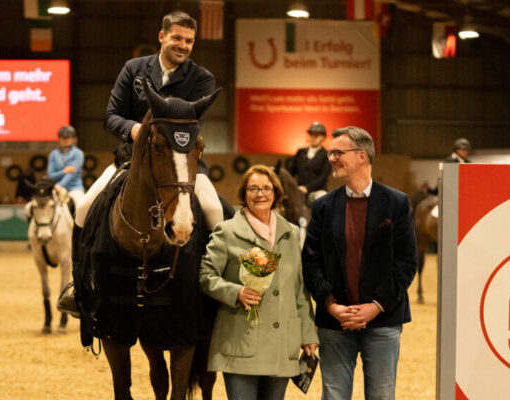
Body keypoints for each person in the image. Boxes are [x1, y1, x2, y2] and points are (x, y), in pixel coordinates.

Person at [75, 10, 224, 231]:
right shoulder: (133, 68)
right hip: (131, 160)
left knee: (214, 210)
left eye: (189, 41)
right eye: (177, 38)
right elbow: (111, 117)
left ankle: (214, 265)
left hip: (182, 165)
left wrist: (154, 134)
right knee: (83, 208)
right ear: (161, 36)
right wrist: (134, 129)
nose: (183, 45)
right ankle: (80, 266)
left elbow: (193, 127)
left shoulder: (202, 79)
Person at [301, 126, 417, 400]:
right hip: (334, 323)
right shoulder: (323, 207)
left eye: (338, 153)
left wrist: (375, 307)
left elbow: (406, 263)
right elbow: (311, 261)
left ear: (362, 156)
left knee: (381, 396)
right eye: (331, 153)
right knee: (334, 396)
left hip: (383, 320)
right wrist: (331, 305)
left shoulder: (397, 203)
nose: (331, 159)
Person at [199, 164, 318, 400]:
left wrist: (307, 334)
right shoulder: (227, 231)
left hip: (282, 343)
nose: (260, 194)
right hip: (241, 343)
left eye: (266, 188)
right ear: (244, 194)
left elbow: (299, 289)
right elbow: (205, 275)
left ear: (275, 193)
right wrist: (236, 292)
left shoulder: (292, 233)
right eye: (253, 188)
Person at [288, 122, 332, 203]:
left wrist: (307, 188)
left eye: (317, 135)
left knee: (322, 200)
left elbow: (323, 177)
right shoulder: (300, 152)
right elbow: (291, 172)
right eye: (311, 134)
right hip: (299, 189)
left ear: (323, 137)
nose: (313, 138)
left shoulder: (326, 155)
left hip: (317, 191)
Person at [47, 125, 84, 207]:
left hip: (74, 188)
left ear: (73, 139)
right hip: (56, 188)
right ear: (59, 139)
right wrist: (63, 171)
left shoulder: (78, 153)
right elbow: (50, 174)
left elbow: (72, 174)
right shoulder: (53, 154)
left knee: (81, 206)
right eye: (63, 138)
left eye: (68, 137)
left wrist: (60, 185)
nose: (65, 140)